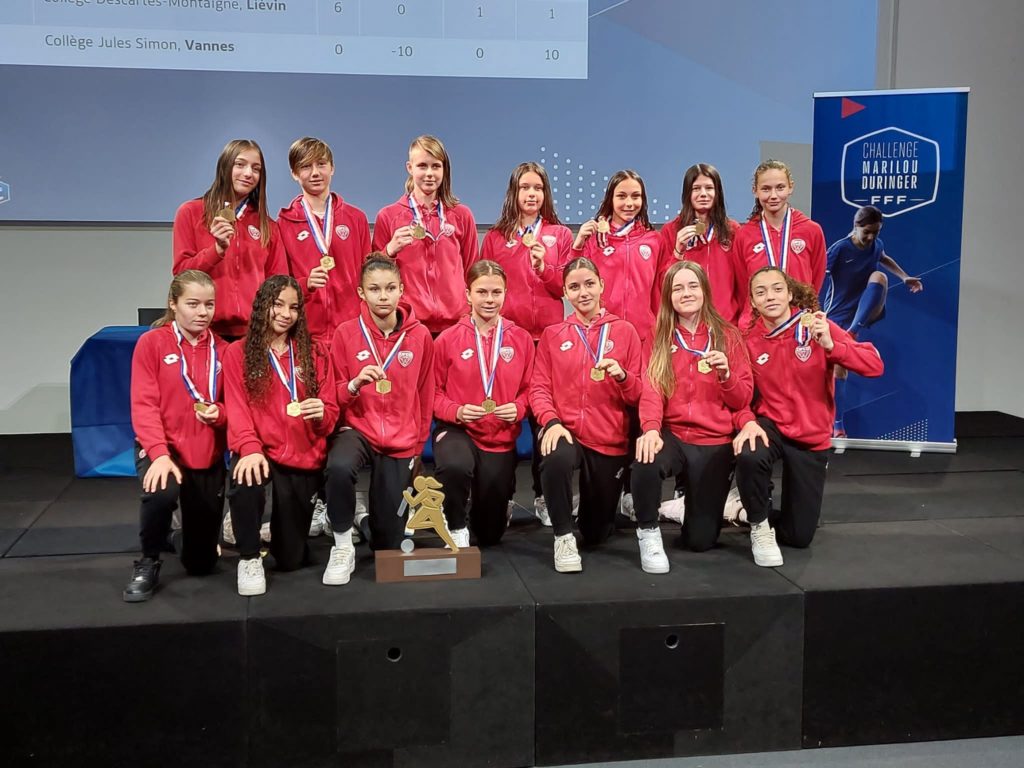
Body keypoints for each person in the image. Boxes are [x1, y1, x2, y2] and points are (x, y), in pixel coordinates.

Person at [733, 268, 884, 567]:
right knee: (750, 452)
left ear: (789, 293)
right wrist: (746, 420)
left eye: (776, 289)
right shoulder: (748, 338)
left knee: (798, 536)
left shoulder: (817, 326)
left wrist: (832, 346)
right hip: (771, 425)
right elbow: (741, 394)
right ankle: (759, 525)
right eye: (760, 292)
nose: (769, 296)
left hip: (810, 435)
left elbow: (874, 366)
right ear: (752, 301)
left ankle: (742, 509)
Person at [223, 275, 338, 595]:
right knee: (246, 477)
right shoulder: (238, 353)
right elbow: (237, 408)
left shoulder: (314, 352)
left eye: (294, 307)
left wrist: (322, 414)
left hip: (302, 453)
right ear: (262, 307)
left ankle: (273, 531)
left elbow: (330, 411)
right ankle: (248, 555)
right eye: (277, 305)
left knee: (291, 559)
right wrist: (249, 448)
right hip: (260, 450)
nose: (286, 314)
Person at [529, 257, 645, 573]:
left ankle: (591, 515)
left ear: (601, 286)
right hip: (566, 429)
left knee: (596, 534)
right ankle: (563, 535)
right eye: (574, 287)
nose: (583, 292)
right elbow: (538, 388)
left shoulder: (625, 331)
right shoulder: (554, 334)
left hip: (609, 438)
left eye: (589, 284)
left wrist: (622, 376)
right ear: (565, 293)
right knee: (554, 455)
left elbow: (638, 394)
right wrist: (550, 421)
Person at [325, 254, 435, 584]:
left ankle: (365, 520)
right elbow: (334, 392)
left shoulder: (421, 337)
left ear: (402, 290)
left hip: (401, 437)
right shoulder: (345, 333)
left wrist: (418, 444)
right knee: (339, 467)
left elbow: (425, 395)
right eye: (374, 289)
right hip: (357, 427)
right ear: (361, 293)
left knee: (387, 546)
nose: (383, 296)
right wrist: (355, 385)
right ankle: (342, 544)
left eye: (390, 288)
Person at [631, 261, 753, 555]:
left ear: (704, 291)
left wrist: (726, 376)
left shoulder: (729, 336)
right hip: (673, 434)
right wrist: (650, 429)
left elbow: (742, 399)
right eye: (678, 288)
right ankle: (648, 533)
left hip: (714, 440)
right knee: (645, 460)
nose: (686, 293)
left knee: (699, 542)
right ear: (668, 296)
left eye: (693, 286)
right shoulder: (658, 337)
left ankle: (683, 507)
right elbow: (651, 389)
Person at [124, 270, 228, 602]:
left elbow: (235, 407)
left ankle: (179, 538)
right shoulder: (152, 343)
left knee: (202, 564)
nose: (202, 312)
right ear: (173, 304)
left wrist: (220, 414)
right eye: (193, 304)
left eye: (209, 304)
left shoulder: (225, 350)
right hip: (163, 450)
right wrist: (158, 453)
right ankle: (148, 561)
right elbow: (143, 404)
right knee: (161, 493)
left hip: (206, 454)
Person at [480, 161, 573, 525]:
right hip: (508, 341)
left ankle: (544, 497)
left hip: (549, 340)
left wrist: (543, 265)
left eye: (537, 188)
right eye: (525, 188)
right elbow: (484, 291)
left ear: (545, 193)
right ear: (514, 193)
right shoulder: (496, 237)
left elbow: (563, 287)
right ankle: (499, 497)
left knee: (544, 419)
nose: (531, 194)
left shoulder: (559, 236)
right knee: (504, 418)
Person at [432, 261, 535, 547]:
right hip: (458, 429)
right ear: (468, 294)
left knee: (490, 535)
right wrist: (457, 411)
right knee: (455, 466)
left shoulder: (522, 339)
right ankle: (454, 524)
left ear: (505, 293)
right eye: (481, 292)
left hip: (500, 436)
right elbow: (432, 393)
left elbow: (532, 389)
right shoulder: (447, 340)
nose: (489, 299)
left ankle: (493, 505)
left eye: (496, 292)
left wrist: (520, 407)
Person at [819, 205, 923, 436]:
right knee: (839, 370)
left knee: (879, 276)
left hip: (865, 310)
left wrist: (905, 277)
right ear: (856, 226)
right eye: (867, 232)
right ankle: (837, 426)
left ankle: (854, 331)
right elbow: (817, 273)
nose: (871, 237)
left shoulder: (877, 245)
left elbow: (884, 259)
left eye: (876, 232)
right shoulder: (839, 249)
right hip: (838, 314)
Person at [172, 139, 287, 340]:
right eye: (240, 164)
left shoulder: (268, 227)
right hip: (203, 331)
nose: (248, 173)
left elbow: (279, 284)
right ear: (225, 167)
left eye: (256, 168)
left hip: (252, 335)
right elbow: (182, 274)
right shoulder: (191, 212)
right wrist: (216, 251)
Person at [372, 135, 479, 335]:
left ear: (444, 169)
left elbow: (473, 271)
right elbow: (374, 275)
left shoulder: (462, 215)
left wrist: (470, 313)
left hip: (456, 325)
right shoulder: (388, 216)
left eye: (436, 166)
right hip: (408, 325)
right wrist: (389, 250)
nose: (429, 173)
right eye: (422, 166)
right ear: (409, 168)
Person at [277, 136, 372, 346]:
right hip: (304, 333)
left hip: (352, 331)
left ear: (332, 168)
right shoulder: (284, 224)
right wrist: (305, 284)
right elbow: (279, 282)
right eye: (305, 166)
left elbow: (368, 274)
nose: (315, 173)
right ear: (294, 173)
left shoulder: (356, 218)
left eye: (321, 164)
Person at [570, 169, 668, 345]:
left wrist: (659, 328)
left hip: (644, 337)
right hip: (602, 334)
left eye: (635, 196)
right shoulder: (594, 239)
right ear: (611, 199)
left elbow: (660, 290)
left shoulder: (654, 240)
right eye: (622, 196)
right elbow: (575, 282)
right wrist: (577, 247)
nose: (629, 203)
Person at [732, 159, 826, 326]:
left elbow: (816, 280)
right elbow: (742, 286)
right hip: (757, 326)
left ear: (791, 187)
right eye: (766, 189)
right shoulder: (744, 234)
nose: (773, 196)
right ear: (755, 191)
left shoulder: (811, 230)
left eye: (780, 187)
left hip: (801, 321)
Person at [658, 163, 744, 324]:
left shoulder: (733, 230)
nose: (703, 194)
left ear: (717, 193)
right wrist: (678, 252)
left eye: (709, 188)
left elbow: (742, 281)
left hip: (725, 323)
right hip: (686, 325)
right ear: (687, 194)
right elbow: (662, 284)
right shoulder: (670, 231)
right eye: (696, 188)